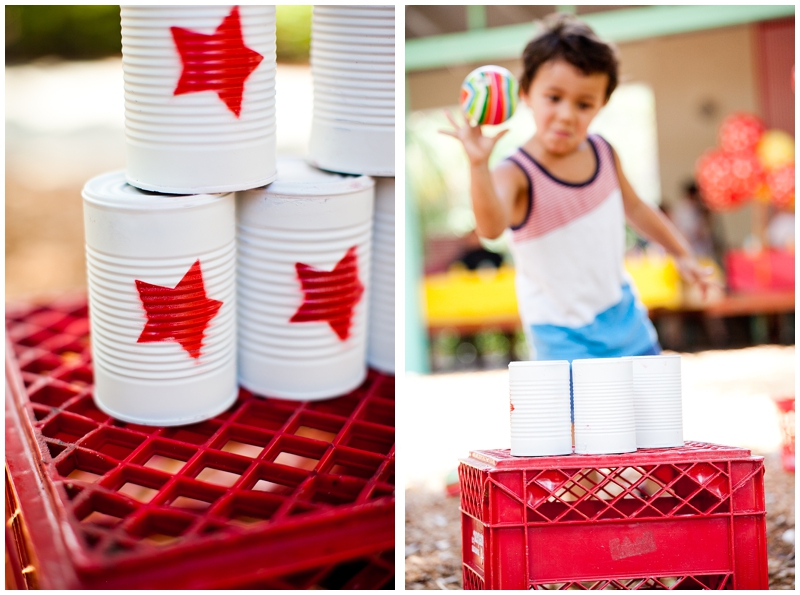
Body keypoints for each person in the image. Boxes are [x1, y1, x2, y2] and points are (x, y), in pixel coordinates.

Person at [441, 13, 715, 362]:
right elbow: (490, 228)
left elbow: (636, 208)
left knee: (646, 407)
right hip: (559, 333)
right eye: (553, 98)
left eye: (583, 104)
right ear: (526, 94)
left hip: (623, 315)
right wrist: (478, 166)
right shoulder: (516, 172)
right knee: (579, 417)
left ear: (601, 104)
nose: (567, 114)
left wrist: (682, 253)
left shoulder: (603, 152)